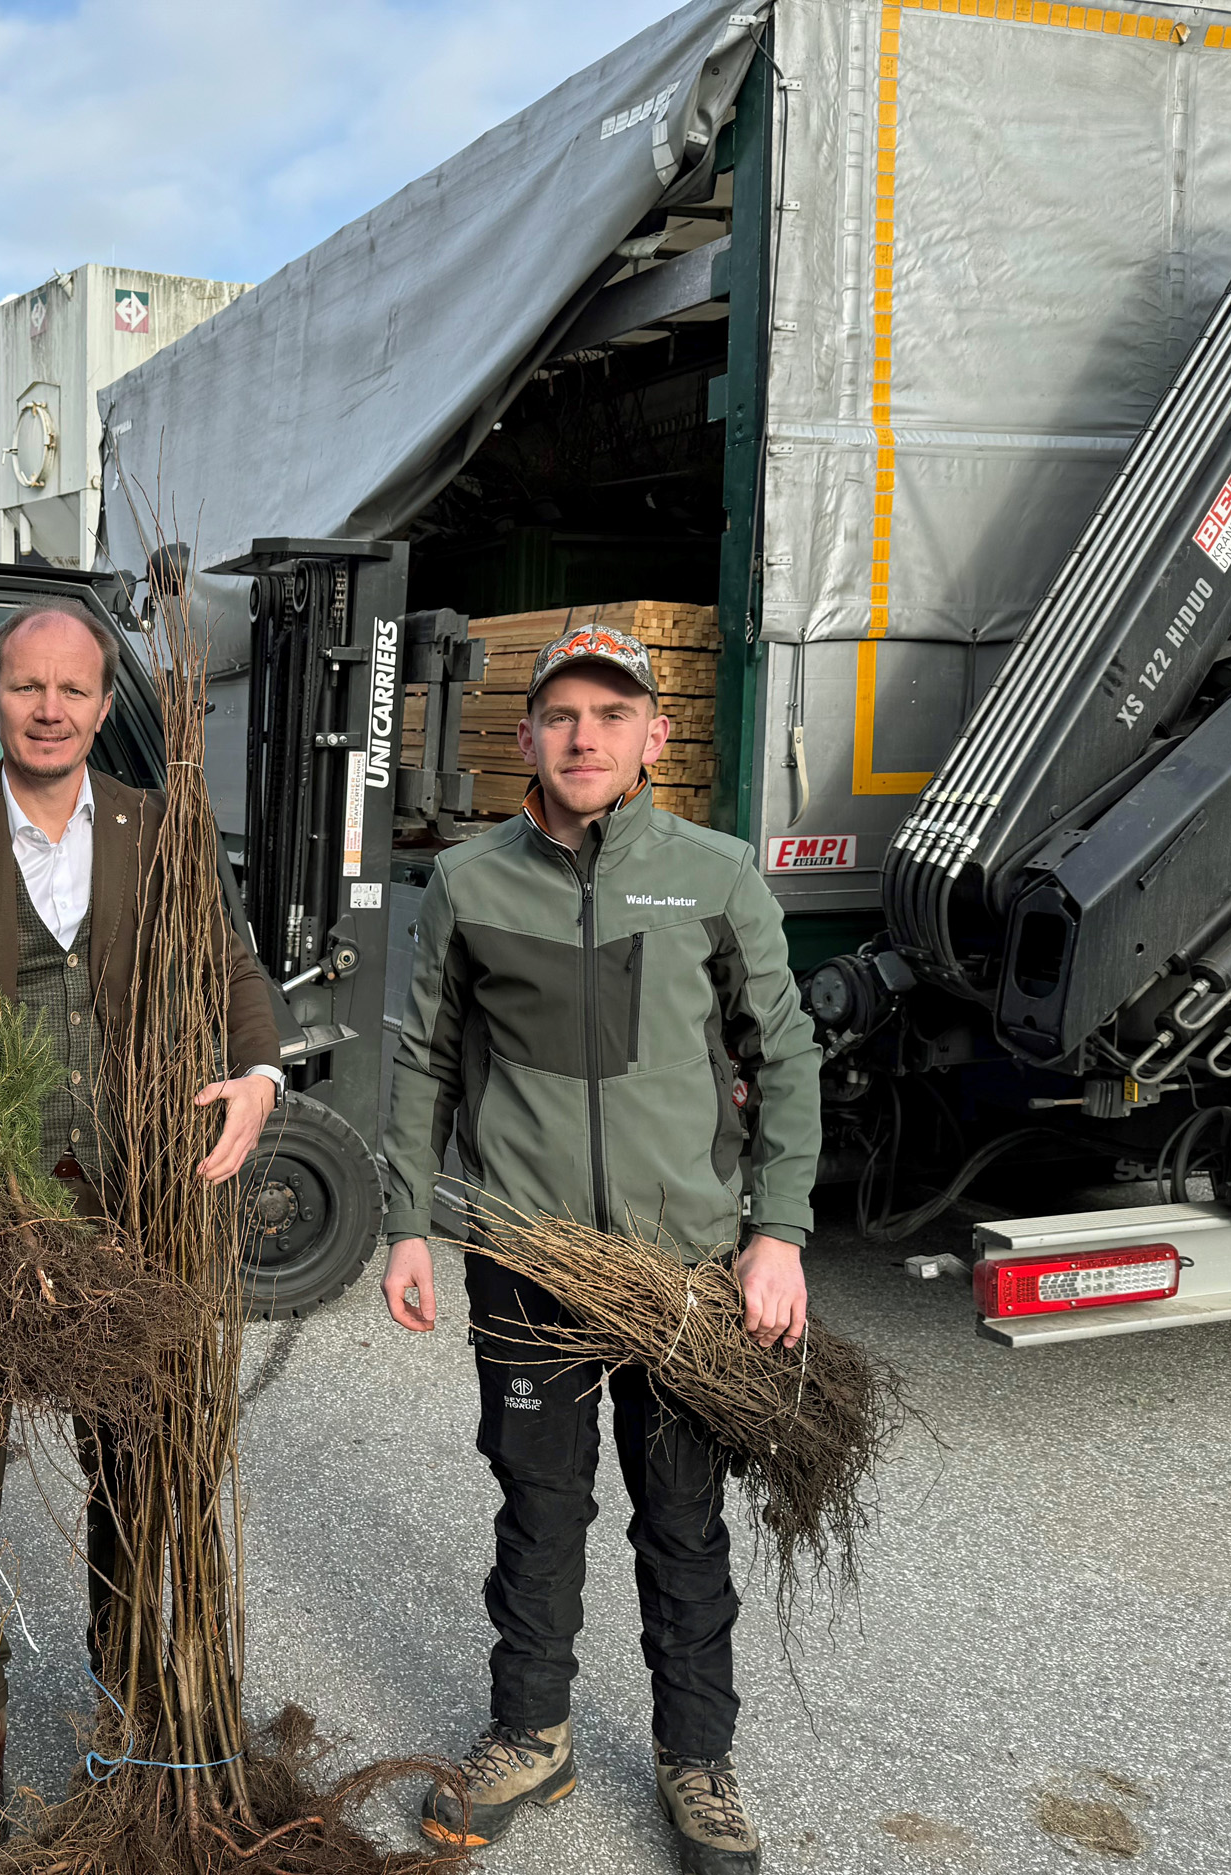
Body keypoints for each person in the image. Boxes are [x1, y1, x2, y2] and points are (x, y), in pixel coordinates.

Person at [376, 625, 820, 1875]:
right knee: (539, 1502)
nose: (585, 737)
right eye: (562, 715)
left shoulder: (716, 876)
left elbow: (784, 1055)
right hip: (529, 1259)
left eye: (611, 714)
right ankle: (532, 1734)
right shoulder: (468, 883)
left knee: (682, 1518)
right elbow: (423, 1057)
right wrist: (408, 1224)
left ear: (652, 736)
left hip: (682, 1267)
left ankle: (697, 1760)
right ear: (525, 737)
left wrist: (777, 1234)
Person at [0, 602, 284, 1854]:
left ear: (106, 708)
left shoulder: (162, 833)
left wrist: (258, 1072)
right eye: (26, 687)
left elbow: (231, 967)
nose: (48, 709)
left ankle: (129, 1689)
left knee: (140, 1461)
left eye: (73, 689)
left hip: (133, 1208)